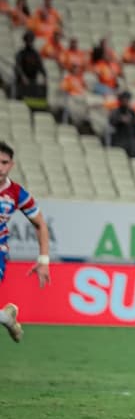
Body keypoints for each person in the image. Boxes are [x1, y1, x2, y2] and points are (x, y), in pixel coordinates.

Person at [0, 141, 51, 343]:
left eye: (4, 163)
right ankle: (6, 317)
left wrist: (43, 260)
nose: (0, 167)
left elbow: (40, 224)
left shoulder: (17, 193)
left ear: (11, 165)